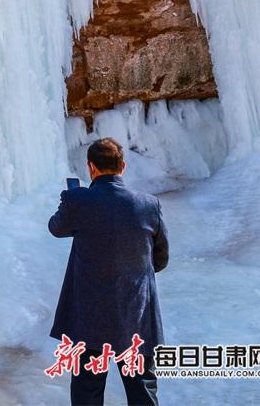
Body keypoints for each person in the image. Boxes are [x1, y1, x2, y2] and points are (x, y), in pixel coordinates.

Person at [48, 138, 169, 406]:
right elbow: (160, 259)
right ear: (123, 166)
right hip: (135, 315)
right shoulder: (149, 205)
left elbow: (55, 228)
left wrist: (68, 201)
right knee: (142, 393)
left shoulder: (78, 201)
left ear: (91, 168)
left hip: (89, 318)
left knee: (87, 393)